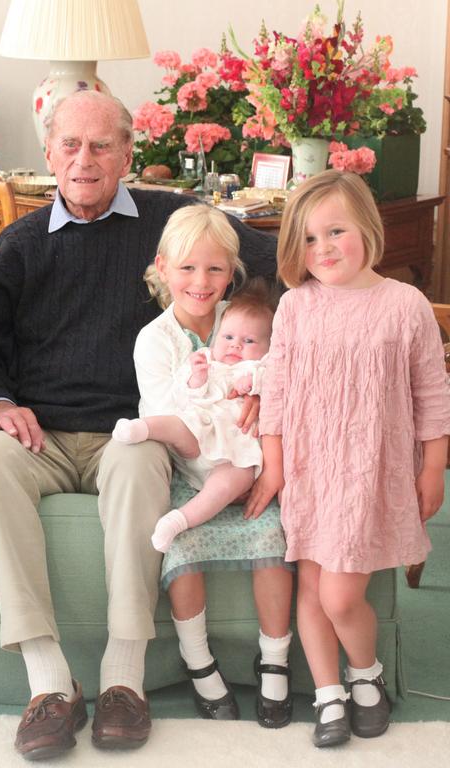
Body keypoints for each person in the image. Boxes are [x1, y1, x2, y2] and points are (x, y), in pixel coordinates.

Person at [0, 89, 280, 760]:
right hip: (36, 436)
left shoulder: (170, 220)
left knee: (139, 461)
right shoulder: (19, 243)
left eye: (102, 146)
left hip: (127, 433)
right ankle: (48, 681)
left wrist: (270, 363)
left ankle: (123, 679)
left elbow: (272, 267)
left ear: (128, 155)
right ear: (48, 154)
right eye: (71, 146)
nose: (85, 160)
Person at [246, 170, 450, 748]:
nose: (324, 248)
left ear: (367, 225)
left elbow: (433, 393)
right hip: (312, 470)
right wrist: (277, 465)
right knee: (310, 590)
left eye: (336, 231)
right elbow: (278, 397)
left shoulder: (404, 305)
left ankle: (367, 673)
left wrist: (433, 465)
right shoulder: (296, 308)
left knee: (339, 595)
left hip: (370, 472)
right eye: (309, 239)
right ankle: (330, 693)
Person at [123, 206, 293, 729]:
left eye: (216, 270)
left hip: (247, 463)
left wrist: (265, 404)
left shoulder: (242, 320)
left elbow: (280, 373)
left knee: (272, 538)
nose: (202, 283)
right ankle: (200, 665)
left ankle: (275, 664)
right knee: (181, 549)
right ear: (163, 269)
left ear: (233, 272)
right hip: (191, 469)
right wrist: (203, 388)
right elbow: (169, 419)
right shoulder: (155, 340)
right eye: (189, 269)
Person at [114, 271, 279, 554]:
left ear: (268, 348)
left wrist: (255, 386)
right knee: (180, 424)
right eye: (228, 337)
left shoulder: (262, 367)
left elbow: (279, 384)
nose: (236, 345)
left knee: (232, 480)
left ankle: (179, 521)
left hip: (236, 452)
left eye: (249, 341)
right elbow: (184, 397)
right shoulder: (207, 361)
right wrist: (197, 379)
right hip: (199, 432)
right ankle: (140, 428)